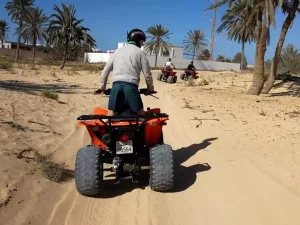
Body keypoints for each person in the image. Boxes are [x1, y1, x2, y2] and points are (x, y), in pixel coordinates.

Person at [94, 28, 154, 116]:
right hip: (131, 87)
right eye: (142, 42)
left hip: (116, 87)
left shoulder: (117, 52)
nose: (142, 44)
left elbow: (105, 71)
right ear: (139, 41)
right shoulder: (140, 53)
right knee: (141, 115)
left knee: (111, 114)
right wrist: (150, 89)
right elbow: (147, 74)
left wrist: (102, 87)